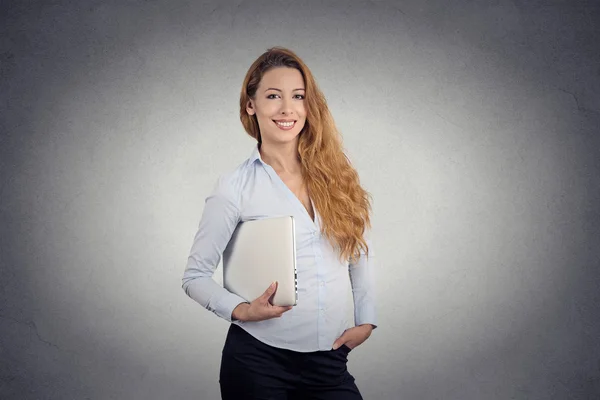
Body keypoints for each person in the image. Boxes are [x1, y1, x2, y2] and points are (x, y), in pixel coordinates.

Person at [182, 46, 378, 400]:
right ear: (250, 105)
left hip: (329, 363)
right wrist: (241, 310)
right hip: (258, 362)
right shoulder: (235, 187)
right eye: (273, 96)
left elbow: (357, 249)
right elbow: (194, 276)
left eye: (298, 97)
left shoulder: (337, 172)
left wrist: (366, 319)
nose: (288, 108)